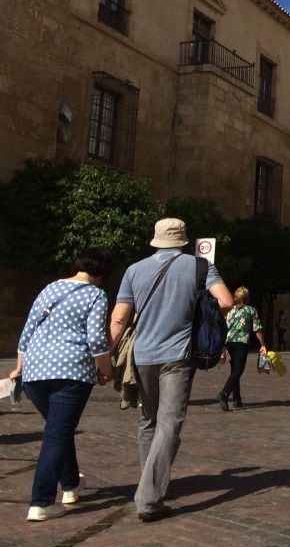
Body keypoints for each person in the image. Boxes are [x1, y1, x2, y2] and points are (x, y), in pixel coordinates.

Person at [109, 218, 233, 523]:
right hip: (178, 356)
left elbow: (119, 319)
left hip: (143, 355)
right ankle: (149, 498)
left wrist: (105, 358)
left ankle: (148, 484)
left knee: (148, 419)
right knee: (170, 422)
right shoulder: (199, 267)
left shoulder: (134, 270)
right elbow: (227, 301)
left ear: (156, 240)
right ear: (182, 240)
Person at [10, 248, 114, 522]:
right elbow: (97, 340)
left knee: (59, 429)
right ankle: (41, 501)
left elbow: (28, 330)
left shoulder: (50, 288)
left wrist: (20, 367)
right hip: (71, 372)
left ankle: (70, 484)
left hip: (35, 371)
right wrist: (107, 370)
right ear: (102, 272)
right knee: (56, 435)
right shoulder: (95, 295)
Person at [218, 287, 267, 412]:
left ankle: (237, 399)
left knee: (234, 370)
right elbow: (257, 329)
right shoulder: (251, 311)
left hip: (229, 343)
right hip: (241, 342)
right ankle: (224, 393)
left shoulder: (229, 310)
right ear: (246, 298)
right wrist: (262, 344)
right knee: (238, 371)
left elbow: (224, 326)